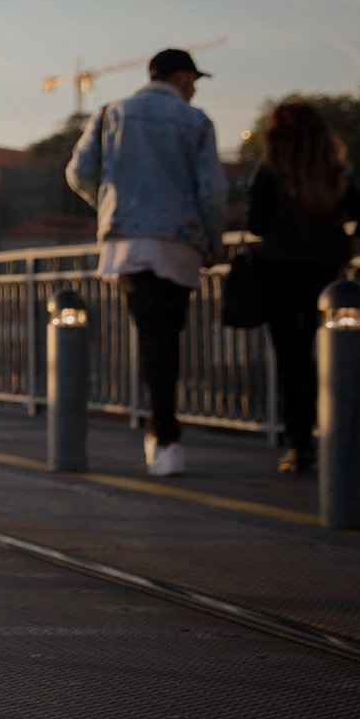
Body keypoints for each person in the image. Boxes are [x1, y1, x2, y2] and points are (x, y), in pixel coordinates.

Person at [67, 47, 229, 476]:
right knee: (168, 335)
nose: (194, 89)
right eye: (193, 81)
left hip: (129, 241)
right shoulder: (196, 121)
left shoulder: (109, 113)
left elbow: (79, 171)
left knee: (150, 332)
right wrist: (215, 241)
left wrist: (108, 203)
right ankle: (166, 434)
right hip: (180, 240)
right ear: (179, 79)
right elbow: (212, 191)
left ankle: (162, 435)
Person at [245, 100, 360, 475]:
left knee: (292, 360)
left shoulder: (269, 170)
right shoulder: (334, 169)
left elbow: (256, 224)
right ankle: (342, 435)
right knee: (337, 355)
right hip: (328, 275)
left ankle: (298, 445)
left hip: (279, 272)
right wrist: (350, 246)